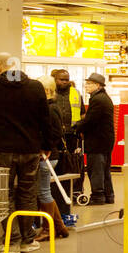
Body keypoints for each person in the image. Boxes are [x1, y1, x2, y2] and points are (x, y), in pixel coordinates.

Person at [0, 53, 55, 253]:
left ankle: (12, 241)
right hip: (30, 149)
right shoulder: (35, 87)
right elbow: (45, 119)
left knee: (6, 195)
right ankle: (28, 240)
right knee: (28, 193)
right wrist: (47, 144)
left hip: (2, 150)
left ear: (0, 67)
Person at [34, 76, 69, 241]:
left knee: (44, 192)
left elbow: (55, 133)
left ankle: (49, 229)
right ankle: (59, 226)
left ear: (46, 90)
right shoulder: (51, 107)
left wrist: (45, 147)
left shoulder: (50, 108)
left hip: (47, 156)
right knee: (44, 192)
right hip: (49, 155)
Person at [73, 73, 115, 205]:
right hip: (105, 140)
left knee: (95, 169)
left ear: (97, 85)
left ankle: (98, 196)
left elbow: (91, 120)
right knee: (104, 169)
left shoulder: (97, 99)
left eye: (89, 83)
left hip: (98, 141)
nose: (86, 86)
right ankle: (109, 196)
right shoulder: (104, 98)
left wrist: (77, 127)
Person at [51, 69, 83, 200]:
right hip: (55, 135)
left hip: (71, 135)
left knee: (71, 163)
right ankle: (56, 191)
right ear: (55, 79)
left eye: (67, 79)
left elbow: (82, 113)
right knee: (56, 163)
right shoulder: (51, 93)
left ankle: (73, 190)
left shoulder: (76, 93)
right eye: (61, 79)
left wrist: (80, 130)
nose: (65, 82)